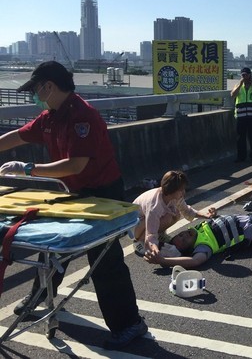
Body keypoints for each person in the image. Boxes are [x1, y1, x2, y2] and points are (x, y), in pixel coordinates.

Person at [0, 61, 146, 350]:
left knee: (104, 260)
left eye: (37, 90)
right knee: (54, 245)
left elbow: (75, 165)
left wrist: (28, 169)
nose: (36, 96)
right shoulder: (51, 117)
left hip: (103, 192)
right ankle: (41, 294)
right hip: (75, 192)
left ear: (49, 86)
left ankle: (129, 324)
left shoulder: (83, 116)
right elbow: (17, 136)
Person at [144, 212, 252, 268]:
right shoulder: (203, 246)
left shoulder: (197, 230)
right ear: (189, 247)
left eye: (180, 235)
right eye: (183, 240)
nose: (183, 235)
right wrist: (163, 260)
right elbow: (195, 261)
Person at [132, 170, 216, 257]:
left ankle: (160, 234)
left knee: (175, 214)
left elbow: (187, 211)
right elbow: (151, 234)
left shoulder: (174, 196)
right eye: (181, 190)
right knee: (166, 217)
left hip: (145, 222)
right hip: (134, 226)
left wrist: (206, 215)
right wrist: (155, 249)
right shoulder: (155, 206)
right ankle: (139, 242)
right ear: (171, 190)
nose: (184, 192)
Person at [230, 67, 252, 162]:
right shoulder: (238, 85)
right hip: (241, 115)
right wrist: (240, 84)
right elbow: (232, 95)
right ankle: (241, 157)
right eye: (243, 75)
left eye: (247, 75)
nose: (245, 77)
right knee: (240, 138)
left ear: (250, 75)